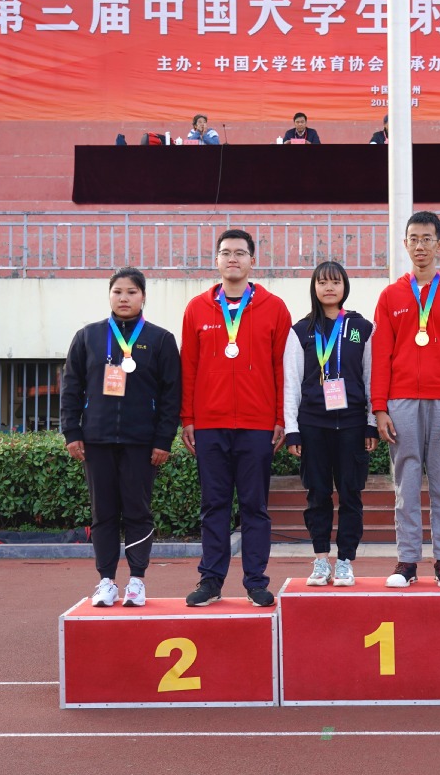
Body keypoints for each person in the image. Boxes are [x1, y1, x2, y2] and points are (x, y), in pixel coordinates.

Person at [180, 229, 292, 608]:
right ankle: (210, 580)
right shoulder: (197, 308)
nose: (233, 258)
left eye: (240, 253)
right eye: (226, 252)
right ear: (216, 260)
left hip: (257, 425)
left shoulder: (275, 308)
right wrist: (188, 417)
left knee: (254, 507)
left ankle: (256, 582)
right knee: (214, 506)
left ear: (252, 261)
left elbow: (282, 368)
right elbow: (188, 367)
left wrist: (281, 418)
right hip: (209, 425)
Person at [60, 267, 182, 609]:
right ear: (109, 295)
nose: (124, 298)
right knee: (103, 513)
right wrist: (72, 431)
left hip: (141, 443)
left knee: (137, 511)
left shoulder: (160, 339)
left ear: (143, 297)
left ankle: (137, 581)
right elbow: (71, 387)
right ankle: (106, 581)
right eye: (118, 292)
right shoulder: (88, 336)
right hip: (96, 440)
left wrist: (163, 440)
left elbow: (171, 395)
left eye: (131, 292)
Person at [372, 210, 440, 588]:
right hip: (400, 401)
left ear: (439, 244)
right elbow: (380, 355)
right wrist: (379, 408)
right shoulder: (390, 296)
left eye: (427, 239)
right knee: (406, 484)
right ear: (405, 244)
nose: (420, 246)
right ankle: (407, 561)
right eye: (413, 239)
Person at [284, 260, 378, 587]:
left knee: (351, 494)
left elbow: (371, 377)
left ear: (344, 287)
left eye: (335, 282)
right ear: (314, 287)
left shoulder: (361, 328)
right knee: (318, 494)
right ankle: (321, 558)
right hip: (313, 425)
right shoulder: (301, 330)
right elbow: (291, 383)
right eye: (322, 282)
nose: (329, 288)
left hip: (351, 424)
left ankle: (345, 561)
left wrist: (371, 423)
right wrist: (292, 429)